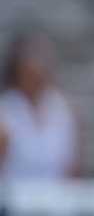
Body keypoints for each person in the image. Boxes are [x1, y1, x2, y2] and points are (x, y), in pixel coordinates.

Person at [0, 30, 79, 180]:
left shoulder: (65, 110)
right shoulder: (5, 111)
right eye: (33, 57)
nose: (39, 66)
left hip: (56, 199)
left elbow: (72, 170)